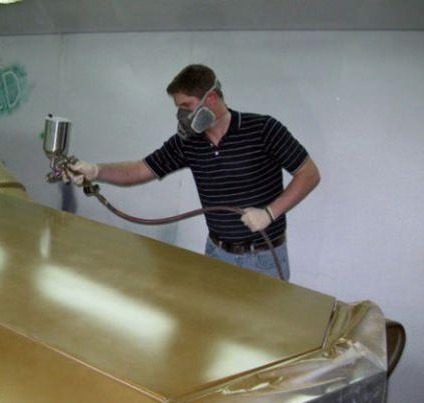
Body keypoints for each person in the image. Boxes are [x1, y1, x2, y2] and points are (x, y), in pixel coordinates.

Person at [64, 64, 320, 281]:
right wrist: (96, 171)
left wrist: (269, 213)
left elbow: (309, 174)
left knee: (264, 325)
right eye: (179, 107)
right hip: (217, 254)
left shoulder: (263, 129)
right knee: (215, 323)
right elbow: (140, 170)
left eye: (187, 105)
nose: (182, 115)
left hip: (263, 257)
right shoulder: (188, 143)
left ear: (211, 99)